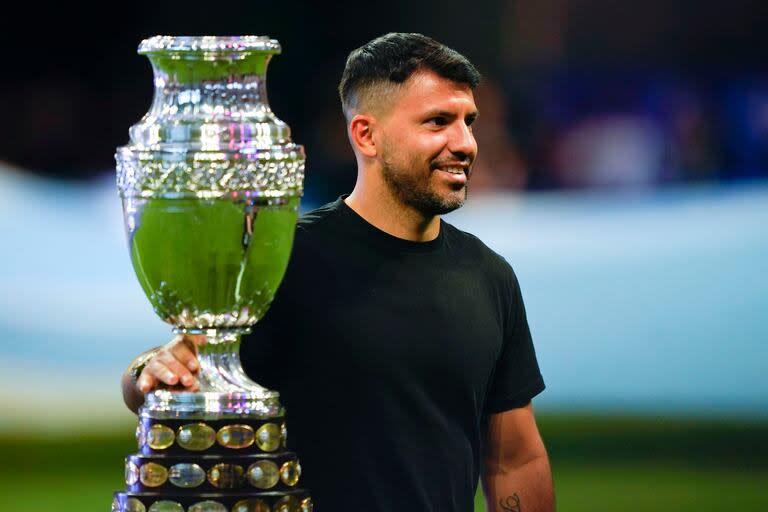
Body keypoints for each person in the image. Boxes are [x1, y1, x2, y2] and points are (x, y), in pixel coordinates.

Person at [122, 32, 555, 512]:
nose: (466, 143)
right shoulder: (287, 260)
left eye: (468, 122)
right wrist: (148, 372)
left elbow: (515, 459)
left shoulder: (490, 277)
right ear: (366, 135)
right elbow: (189, 366)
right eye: (438, 122)